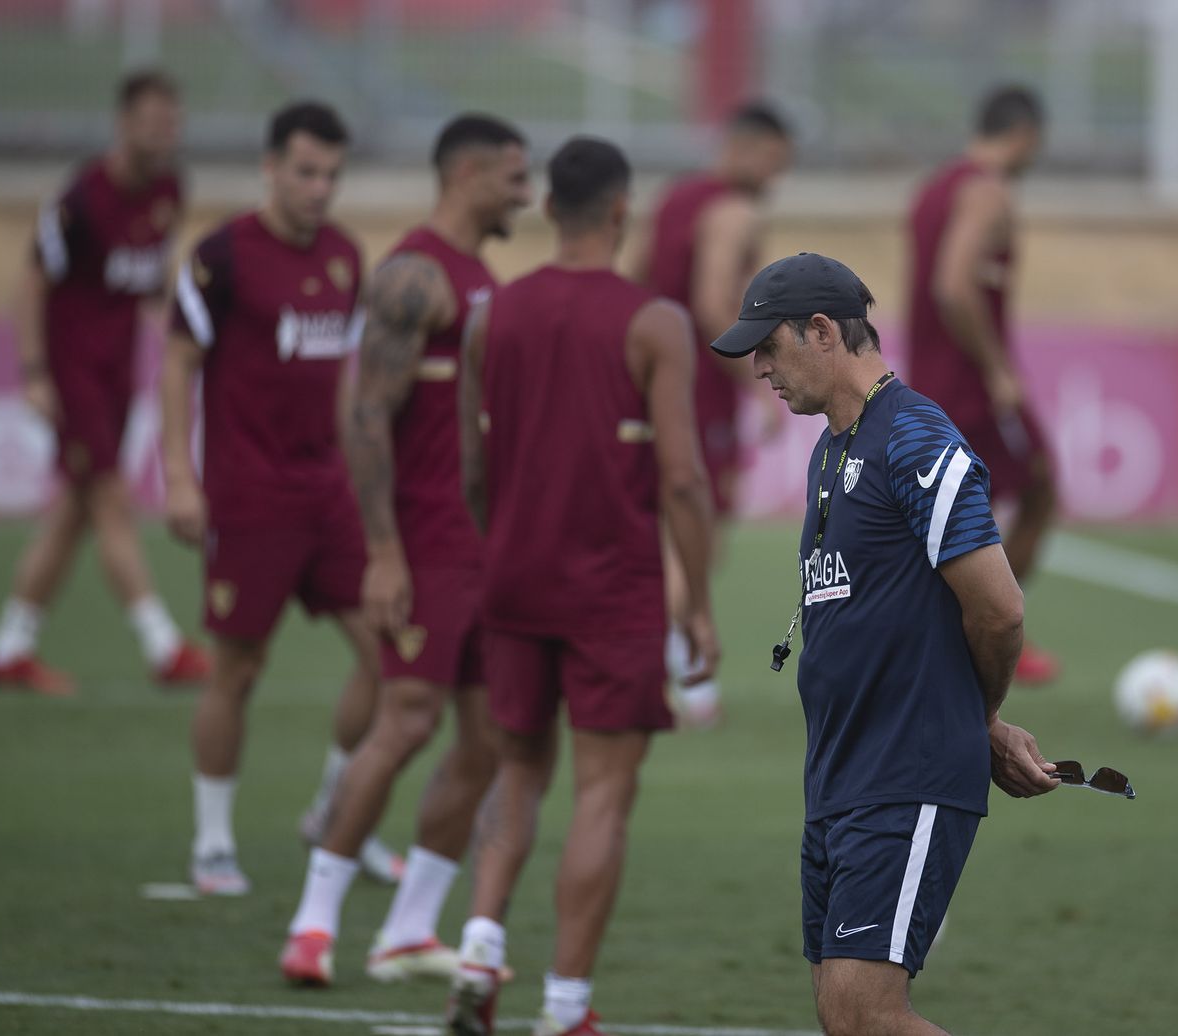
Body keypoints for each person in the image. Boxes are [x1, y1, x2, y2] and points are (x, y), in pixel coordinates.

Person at [709, 252, 1058, 1035]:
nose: (759, 366)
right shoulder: (832, 447)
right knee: (844, 1014)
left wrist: (975, 722)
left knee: (866, 1014)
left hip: (905, 772)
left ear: (823, 331)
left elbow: (999, 612)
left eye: (769, 345)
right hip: (840, 775)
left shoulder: (914, 438)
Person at [445, 137, 718, 1036]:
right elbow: (681, 478)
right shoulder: (654, 323)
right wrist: (699, 605)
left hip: (514, 578)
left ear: (547, 208)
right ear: (619, 209)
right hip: (612, 587)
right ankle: (563, 1007)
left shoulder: (492, 315)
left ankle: (479, 950)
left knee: (519, 772)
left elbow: (473, 466)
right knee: (603, 792)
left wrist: (504, 546)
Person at [280, 114, 531, 987]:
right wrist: (382, 553)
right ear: (466, 173)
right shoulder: (413, 274)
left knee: (491, 739)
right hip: (420, 544)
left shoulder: (481, 280)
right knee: (407, 720)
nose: (525, 193)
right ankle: (312, 925)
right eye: (512, 176)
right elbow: (362, 417)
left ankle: (407, 929)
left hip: (479, 550)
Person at [161, 101, 399, 895]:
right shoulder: (222, 255)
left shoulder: (343, 255)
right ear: (270, 167)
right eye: (305, 171)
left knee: (387, 648)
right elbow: (176, 365)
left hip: (328, 490)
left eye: (331, 174)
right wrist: (179, 476)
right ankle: (210, 843)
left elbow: (346, 381)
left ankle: (337, 815)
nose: (319, 188)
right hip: (249, 494)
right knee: (238, 667)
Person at [0, 70, 208, 696]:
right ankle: (163, 646)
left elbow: (150, 275)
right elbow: (31, 284)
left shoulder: (170, 188)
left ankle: (8, 649)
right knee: (110, 499)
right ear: (124, 123)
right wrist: (33, 372)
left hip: (117, 370)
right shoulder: (81, 198)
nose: (166, 130)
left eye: (173, 119)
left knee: (75, 514)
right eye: (153, 119)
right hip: (72, 371)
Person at [636, 101, 794, 727]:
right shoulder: (732, 209)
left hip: (651, 382)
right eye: (775, 164)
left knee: (663, 535)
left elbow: (636, 279)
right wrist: (757, 384)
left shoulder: (675, 198)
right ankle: (669, 671)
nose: (775, 180)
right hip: (699, 388)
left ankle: (676, 672)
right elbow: (711, 302)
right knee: (698, 537)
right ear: (749, 148)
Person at [906, 85, 1059, 686]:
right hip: (971, 385)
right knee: (1040, 488)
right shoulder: (987, 190)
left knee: (958, 516)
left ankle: (966, 631)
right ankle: (990, 630)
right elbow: (951, 286)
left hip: (935, 383)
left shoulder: (932, 190)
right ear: (1023, 134)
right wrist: (997, 367)